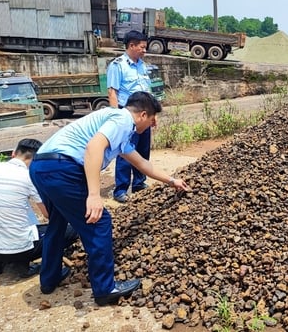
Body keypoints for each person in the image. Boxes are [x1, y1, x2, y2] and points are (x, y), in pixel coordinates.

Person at [28, 91, 190, 306]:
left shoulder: (118, 131)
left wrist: (172, 181)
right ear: (142, 115)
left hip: (42, 166)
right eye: (152, 121)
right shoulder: (122, 119)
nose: (152, 126)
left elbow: (143, 164)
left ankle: (49, 278)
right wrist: (94, 195)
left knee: (57, 222)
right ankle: (105, 289)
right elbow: (93, 147)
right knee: (100, 222)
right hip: (62, 169)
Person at [0, 139, 78, 278]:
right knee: (70, 230)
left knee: (8, 210)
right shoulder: (30, 176)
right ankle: (21, 264)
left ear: (13, 153)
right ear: (37, 160)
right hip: (17, 250)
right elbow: (49, 214)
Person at [107, 30, 153, 203]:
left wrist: (152, 115)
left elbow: (147, 90)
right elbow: (113, 92)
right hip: (127, 115)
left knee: (143, 150)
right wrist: (116, 118)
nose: (144, 51)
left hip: (144, 114)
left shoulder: (142, 65)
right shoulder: (118, 65)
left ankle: (139, 183)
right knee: (125, 151)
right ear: (131, 45)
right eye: (142, 47)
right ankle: (121, 189)